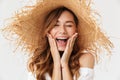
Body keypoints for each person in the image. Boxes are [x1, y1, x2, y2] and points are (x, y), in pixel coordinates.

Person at [2, 0, 113, 80]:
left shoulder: (86, 59)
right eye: (56, 25)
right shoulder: (37, 63)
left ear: (76, 30)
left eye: (69, 25)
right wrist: (56, 63)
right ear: (47, 31)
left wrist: (64, 63)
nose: (62, 31)